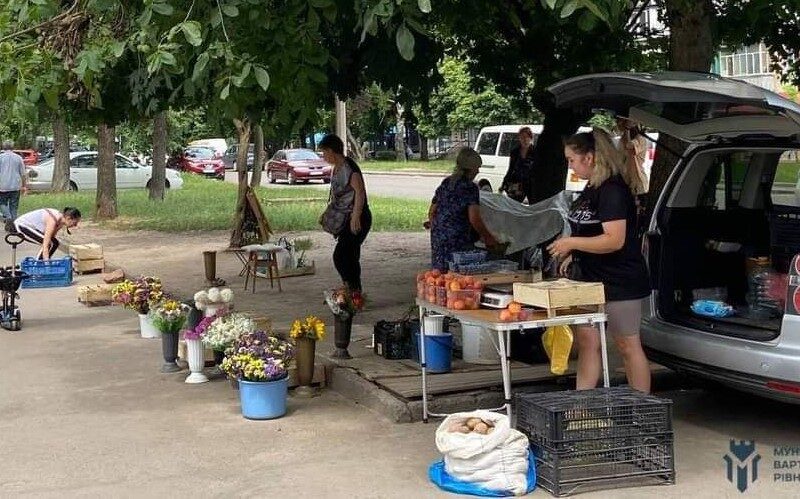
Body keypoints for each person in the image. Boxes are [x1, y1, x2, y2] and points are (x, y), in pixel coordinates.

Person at [547, 129, 651, 393]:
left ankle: (642, 409)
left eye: (571, 159)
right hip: (588, 279)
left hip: (620, 281)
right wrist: (573, 253)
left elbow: (614, 240)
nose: (569, 165)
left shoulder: (613, 190)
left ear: (590, 158)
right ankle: (584, 403)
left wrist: (571, 243)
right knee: (587, 342)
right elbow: (588, 230)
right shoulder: (590, 188)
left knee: (627, 344)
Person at [428, 148, 499, 271]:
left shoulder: (447, 182)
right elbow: (474, 218)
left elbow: (432, 210)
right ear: (471, 168)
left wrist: (437, 225)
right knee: (458, 273)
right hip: (458, 238)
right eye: (477, 167)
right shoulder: (470, 188)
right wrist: (488, 236)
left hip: (438, 236)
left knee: (439, 273)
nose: (478, 171)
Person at [318, 134, 371, 293]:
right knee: (347, 256)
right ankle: (351, 288)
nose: (323, 156)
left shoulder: (349, 168)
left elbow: (359, 192)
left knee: (344, 255)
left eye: (324, 152)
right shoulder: (337, 168)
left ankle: (354, 290)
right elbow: (338, 196)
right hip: (345, 218)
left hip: (358, 217)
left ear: (331, 150)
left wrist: (356, 216)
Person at [13, 207, 81, 260]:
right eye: (75, 223)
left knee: (55, 243)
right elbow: (46, 245)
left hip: (31, 227)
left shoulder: (60, 222)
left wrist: (47, 258)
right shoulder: (53, 221)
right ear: (68, 218)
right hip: (21, 225)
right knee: (48, 243)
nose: (75, 225)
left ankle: (41, 263)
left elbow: (51, 238)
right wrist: (47, 262)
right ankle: (40, 266)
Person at [499, 127, 535, 203]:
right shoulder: (515, 152)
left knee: (534, 205)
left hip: (531, 184)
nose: (524, 140)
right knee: (514, 205)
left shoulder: (535, 152)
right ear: (519, 138)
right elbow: (511, 169)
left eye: (526, 137)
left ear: (530, 138)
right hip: (517, 183)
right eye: (522, 137)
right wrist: (504, 184)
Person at [0, 140, 28, 229]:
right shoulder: (18, 158)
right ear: (13, 147)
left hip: (2, 185)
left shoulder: (0, 157)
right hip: (16, 186)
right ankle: (14, 226)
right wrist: (24, 186)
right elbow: (23, 173)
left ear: (3, 147)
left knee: (2, 203)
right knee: (14, 206)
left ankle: (8, 218)